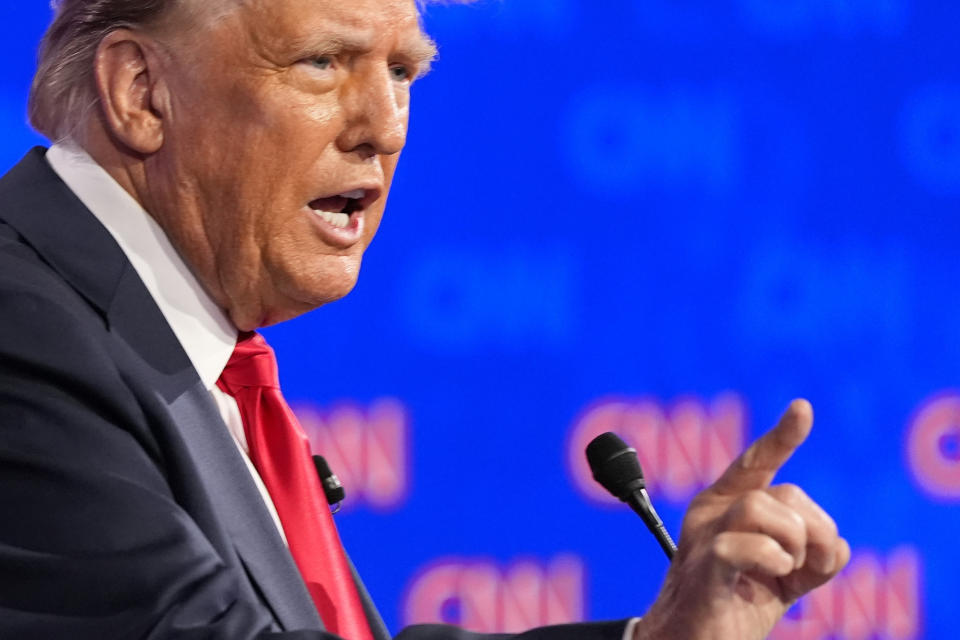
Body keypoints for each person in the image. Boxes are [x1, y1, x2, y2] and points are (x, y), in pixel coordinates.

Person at [0, 0, 850, 638]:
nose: (384, 128)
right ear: (140, 92)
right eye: (324, 62)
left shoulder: (186, 351)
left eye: (403, 72)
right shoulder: (24, 332)